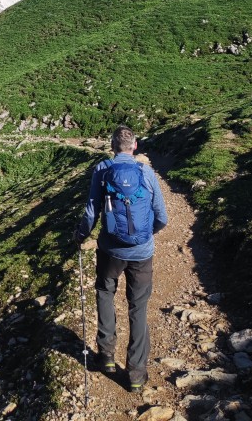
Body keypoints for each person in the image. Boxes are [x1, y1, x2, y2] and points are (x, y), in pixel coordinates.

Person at [74, 125, 168, 392]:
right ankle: (136, 375)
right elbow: (162, 216)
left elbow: (92, 210)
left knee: (105, 292)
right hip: (142, 253)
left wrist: (80, 235)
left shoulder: (102, 169)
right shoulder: (146, 172)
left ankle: (106, 357)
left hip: (110, 250)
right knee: (138, 308)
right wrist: (147, 236)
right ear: (134, 145)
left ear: (112, 146)